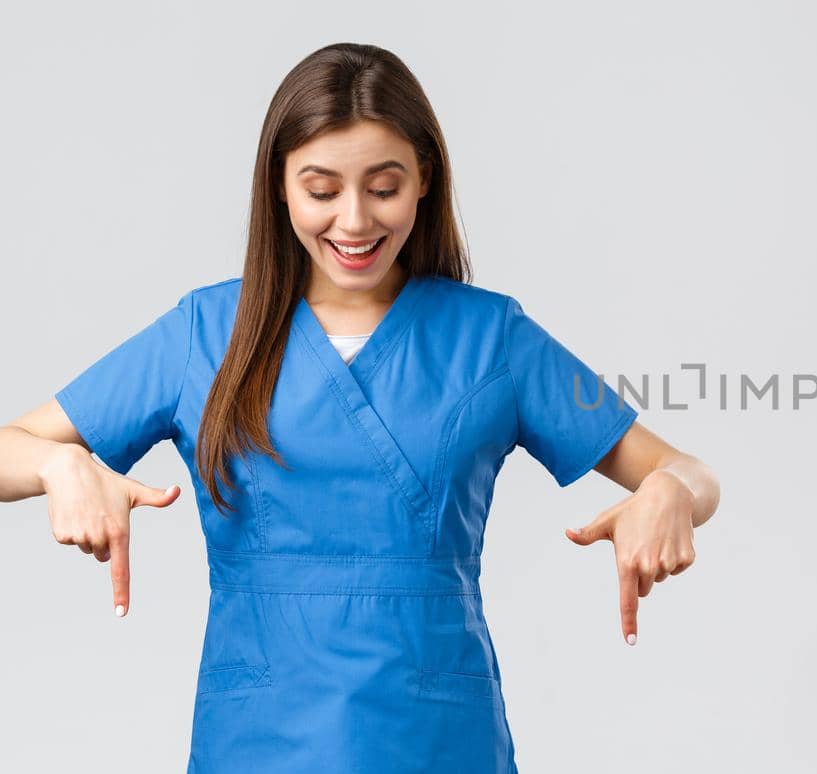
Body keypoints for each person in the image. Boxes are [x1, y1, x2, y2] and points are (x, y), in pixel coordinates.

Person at [0, 42, 720, 773]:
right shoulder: (207, 334)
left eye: (383, 188)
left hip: (438, 738)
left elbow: (689, 474)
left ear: (423, 183)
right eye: (321, 189)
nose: (353, 221)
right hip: (260, 738)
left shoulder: (491, 339)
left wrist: (668, 490)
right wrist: (60, 464)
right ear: (279, 187)